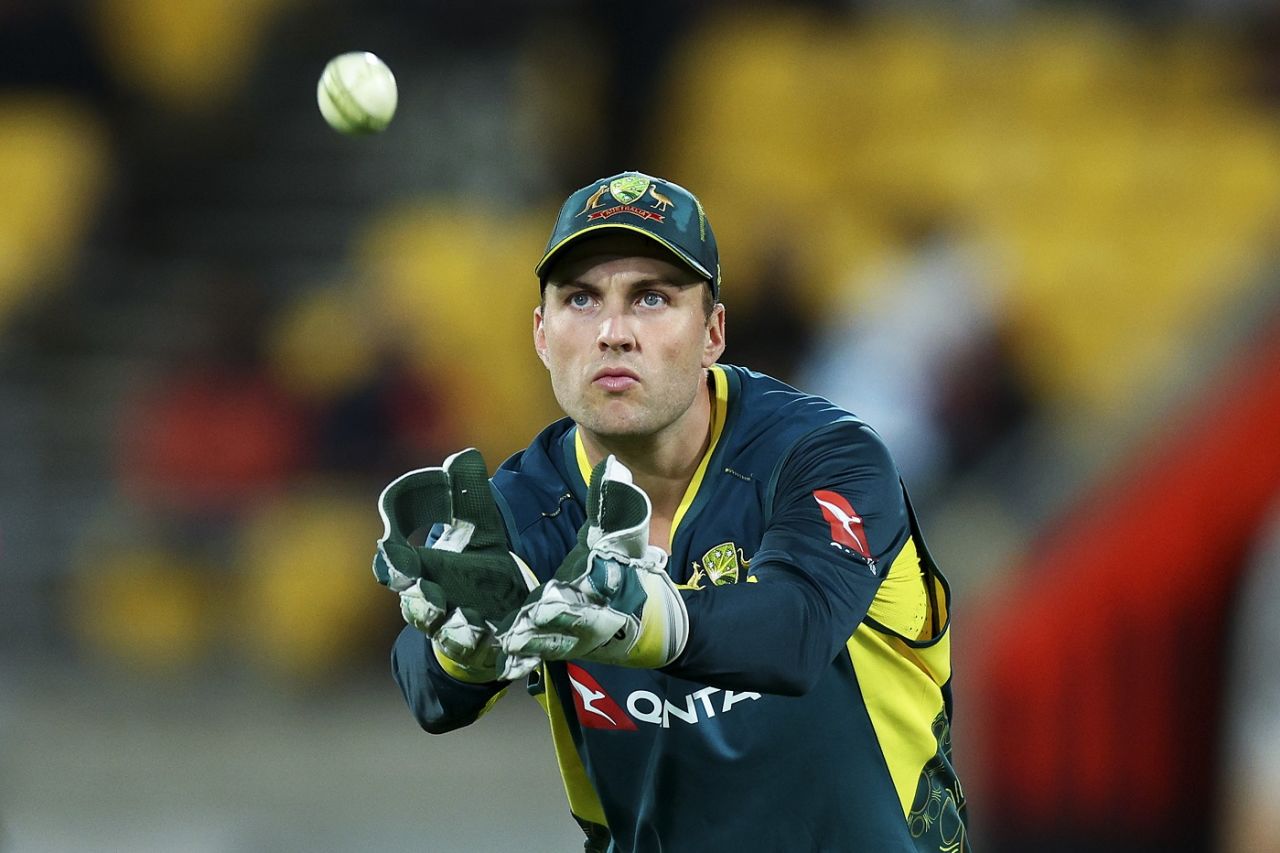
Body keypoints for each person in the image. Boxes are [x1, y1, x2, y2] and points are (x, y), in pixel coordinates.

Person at [373, 171, 969, 852]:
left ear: (713, 331)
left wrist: (642, 615)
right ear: (542, 334)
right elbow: (426, 690)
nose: (613, 332)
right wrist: (460, 652)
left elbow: (797, 629)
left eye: (652, 297)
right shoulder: (527, 504)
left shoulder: (825, 457)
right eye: (581, 299)